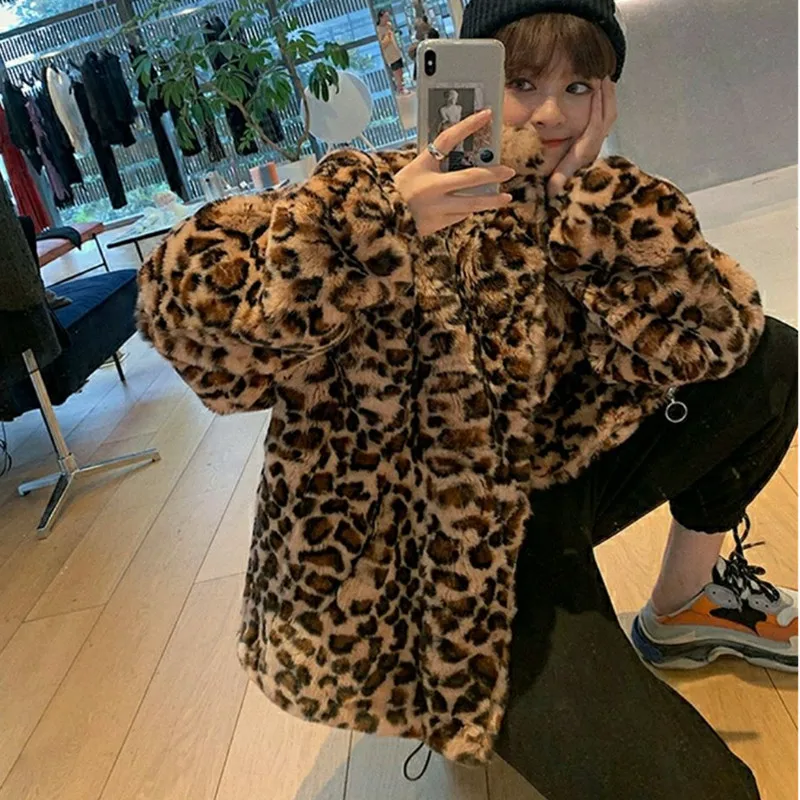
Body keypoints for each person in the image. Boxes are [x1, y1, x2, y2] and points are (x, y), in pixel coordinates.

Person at [135, 0, 797, 797]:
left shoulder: (592, 201)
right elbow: (184, 319)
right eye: (522, 82)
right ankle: (457, 689)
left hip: (551, 488)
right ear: (467, 81)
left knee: (775, 359)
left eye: (579, 86)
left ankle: (684, 604)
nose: (550, 114)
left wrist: (594, 209)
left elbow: (714, 338)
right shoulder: (373, 186)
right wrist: (375, 230)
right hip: (441, 564)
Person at [376, 9, 407, 94]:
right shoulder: (378, 29)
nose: (387, 18)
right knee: (396, 72)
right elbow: (382, 44)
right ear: (381, 18)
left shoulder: (389, 25)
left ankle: (402, 87)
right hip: (390, 54)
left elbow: (393, 36)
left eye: (388, 16)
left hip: (396, 50)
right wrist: (387, 36)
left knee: (400, 71)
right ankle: (400, 89)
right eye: (386, 16)